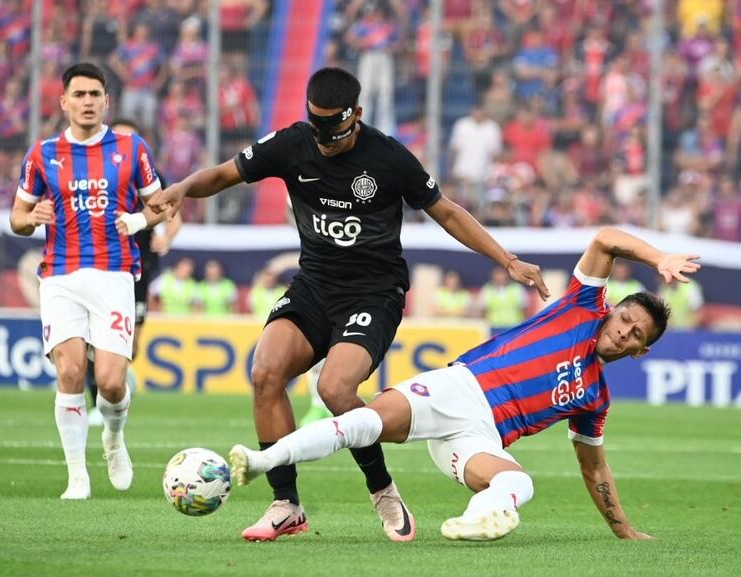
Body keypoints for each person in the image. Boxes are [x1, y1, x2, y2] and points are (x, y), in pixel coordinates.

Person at [147, 66, 548, 542]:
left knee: (337, 390)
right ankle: (286, 505)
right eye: (315, 128)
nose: (323, 140)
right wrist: (180, 190)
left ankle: (382, 490)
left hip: (375, 293)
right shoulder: (292, 143)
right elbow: (225, 173)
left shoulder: (388, 157)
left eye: (333, 131)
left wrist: (506, 260)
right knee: (266, 372)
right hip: (314, 286)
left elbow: (447, 212)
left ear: (355, 115)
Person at [228, 227, 700, 542]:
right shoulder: (582, 304)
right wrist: (659, 257)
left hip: (480, 437)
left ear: (640, 350)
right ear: (613, 309)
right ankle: (262, 460)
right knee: (364, 422)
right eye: (624, 319)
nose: (623, 331)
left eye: (636, 334)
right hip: (460, 387)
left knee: (518, 480)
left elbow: (594, 469)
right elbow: (605, 239)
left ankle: (476, 520)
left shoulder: (595, 398)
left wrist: (625, 532)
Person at [9, 63, 164, 499]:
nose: (88, 102)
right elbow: (17, 216)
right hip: (59, 275)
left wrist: (135, 221)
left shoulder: (131, 148)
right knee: (71, 369)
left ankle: (113, 438)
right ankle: (77, 474)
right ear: (64, 102)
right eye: (79, 95)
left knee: (112, 382)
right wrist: (31, 217)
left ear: (107, 100)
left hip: (115, 275)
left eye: (95, 94)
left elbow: (160, 206)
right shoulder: (42, 154)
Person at [87, 117, 183, 427]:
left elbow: (172, 215)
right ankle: (100, 399)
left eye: (133, 138)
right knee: (93, 337)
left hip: (138, 267)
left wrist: (165, 237)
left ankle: (119, 376)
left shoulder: (152, 178)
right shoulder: (92, 175)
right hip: (98, 264)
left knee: (131, 342)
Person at [478, 266, 529, 331]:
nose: (500, 277)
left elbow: (524, 310)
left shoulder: (518, 288)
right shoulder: (487, 289)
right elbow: (484, 311)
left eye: (502, 273)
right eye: (497, 274)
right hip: (493, 327)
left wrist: (522, 327)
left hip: (514, 327)